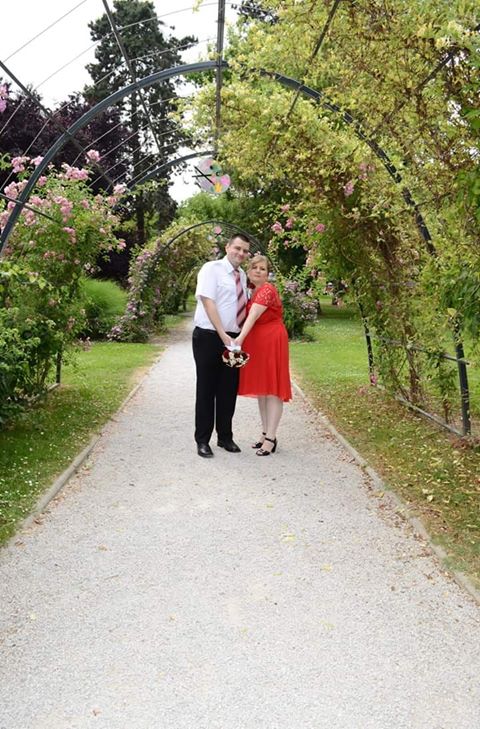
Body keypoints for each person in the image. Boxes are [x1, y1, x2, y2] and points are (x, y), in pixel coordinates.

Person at [192, 233, 250, 458]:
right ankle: (202, 440)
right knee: (206, 389)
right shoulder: (211, 269)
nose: (241, 253)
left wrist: (234, 338)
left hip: (233, 340)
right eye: (237, 248)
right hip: (209, 336)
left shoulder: (242, 275)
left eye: (245, 251)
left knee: (228, 389)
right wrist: (222, 334)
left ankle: (225, 436)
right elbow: (208, 302)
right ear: (227, 247)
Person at [233, 254, 292, 456]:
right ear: (249, 271)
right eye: (255, 268)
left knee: (273, 389)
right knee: (262, 389)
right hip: (260, 342)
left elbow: (252, 316)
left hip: (272, 341)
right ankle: (265, 432)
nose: (258, 271)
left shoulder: (267, 290)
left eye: (263, 269)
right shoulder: (252, 290)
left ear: (267, 274)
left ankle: (271, 438)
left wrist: (239, 340)